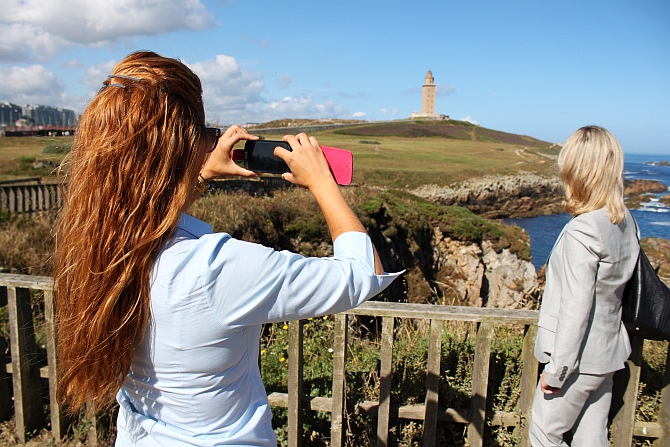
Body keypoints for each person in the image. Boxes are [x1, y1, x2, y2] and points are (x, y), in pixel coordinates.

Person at [53, 51, 400, 446]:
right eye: (202, 130)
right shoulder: (216, 269)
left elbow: (145, 215)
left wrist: (198, 175)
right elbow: (362, 273)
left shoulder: (96, 248)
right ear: (183, 147)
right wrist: (322, 183)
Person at [529, 126, 639, 446]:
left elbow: (576, 308)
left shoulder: (583, 230)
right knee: (592, 439)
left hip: (575, 363)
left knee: (544, 435)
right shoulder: (624, 220)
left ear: (576, 170)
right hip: (608, 356)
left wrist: (557, 370)